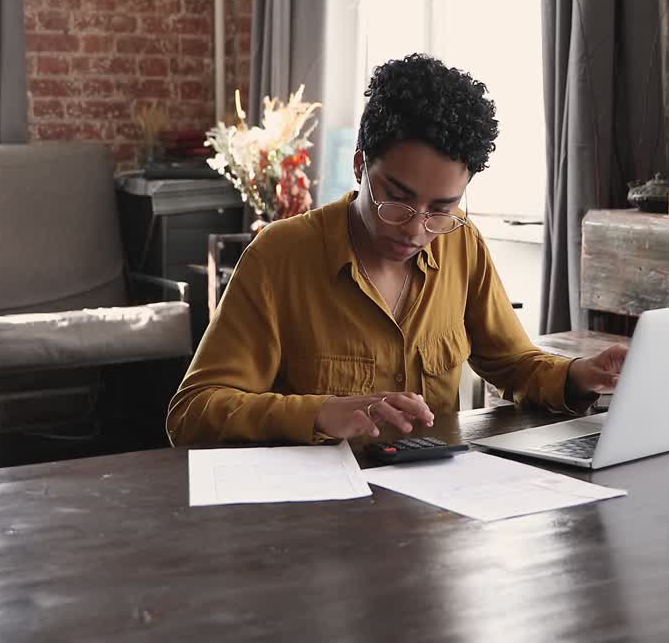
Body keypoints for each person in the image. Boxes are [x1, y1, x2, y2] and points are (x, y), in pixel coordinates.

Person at [167, 54, 628, 445]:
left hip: (435, 507)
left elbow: (512, 363)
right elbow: (192, 413)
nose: (416, 228)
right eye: (398, 199)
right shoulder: (279, 258)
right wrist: (320, 413)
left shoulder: (460, 244)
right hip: (316, 519)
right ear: (359, 165)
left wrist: (578, 375)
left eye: (441, 208)